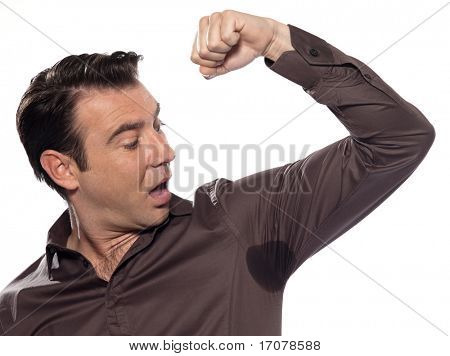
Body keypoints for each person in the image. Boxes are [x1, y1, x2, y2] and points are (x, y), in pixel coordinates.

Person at [0, 9, 435, 335]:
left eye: (158, 125)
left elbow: (396, 138)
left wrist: (275, 40)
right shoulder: (16, 313)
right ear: (63, 169)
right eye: (131, 142)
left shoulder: (239, 222)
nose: (164, 152)